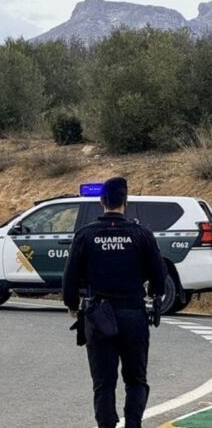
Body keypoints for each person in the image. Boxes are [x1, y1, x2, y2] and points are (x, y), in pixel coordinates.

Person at [62, 177, 167, 428]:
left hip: (98, 315)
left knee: (103, 383)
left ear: (101, 202)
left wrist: (73, 305)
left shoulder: (85, 235)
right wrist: (154, 294)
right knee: (135, 379)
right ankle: (133, 424)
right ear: (125, 202)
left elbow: (70, 277)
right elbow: (159, 277)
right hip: (133, 312)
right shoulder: (141, 234)